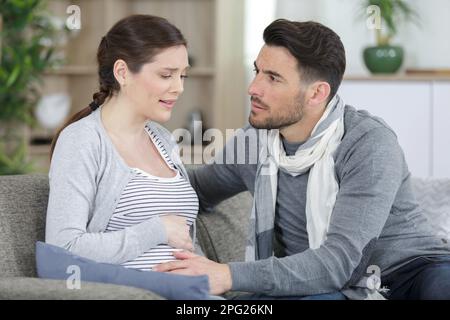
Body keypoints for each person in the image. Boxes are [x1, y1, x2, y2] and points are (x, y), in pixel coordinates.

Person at [154, 19, 450, 300]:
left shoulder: (368, 144)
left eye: (272, 78)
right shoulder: (253, 143)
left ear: (316, 93)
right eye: (257, 71)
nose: (253, 88)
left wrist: (228, 275)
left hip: (411, 272)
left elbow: (338, 263)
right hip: (330, 287)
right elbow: (193, 189)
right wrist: (131, 162)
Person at [46, 15, 200, 272]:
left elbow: (181, 239)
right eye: (166, 75)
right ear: (122, 72)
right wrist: (156, 229)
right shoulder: (82, 141)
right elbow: (64, 248)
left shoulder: (163, 139)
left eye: (182, 76)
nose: (179, 88)